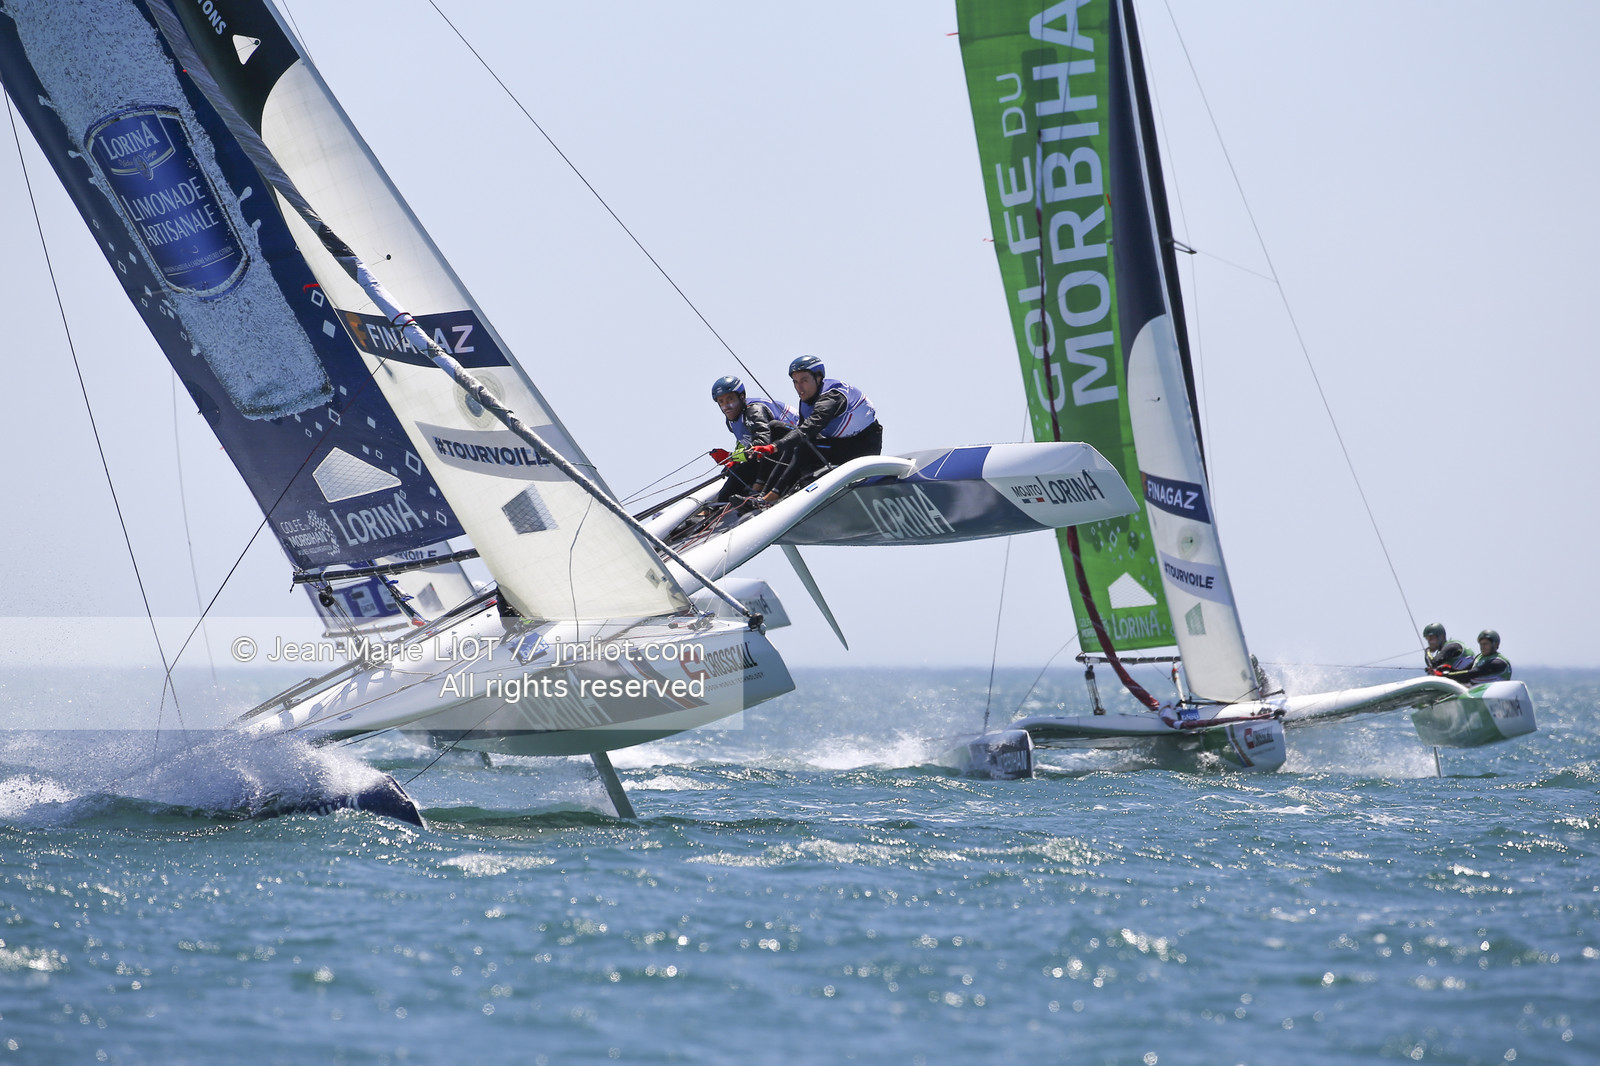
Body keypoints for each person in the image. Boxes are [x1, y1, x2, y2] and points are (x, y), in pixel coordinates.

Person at [763, 355, 883, 501]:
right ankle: (766, 495)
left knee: (803, 447)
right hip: (841, 443)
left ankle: (772, 497)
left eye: (804, 380)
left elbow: (810, 428)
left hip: (863, 447)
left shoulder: (831, 397)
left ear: (818, 377)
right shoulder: (806, 400)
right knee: (790, 440)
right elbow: (799, 434)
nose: (799, 387)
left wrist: (774, 447)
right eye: (795, 382)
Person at [707, 375, 797, 505]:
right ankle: (715, 508)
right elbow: (743, 440)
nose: (726, 406)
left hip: (793, 448)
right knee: (736, 472)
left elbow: (760, 445)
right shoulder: (732, 419)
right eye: (721, 402)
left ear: (742, 396)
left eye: (730, 399)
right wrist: (734, 460)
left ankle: (758, 491)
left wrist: (730, 456)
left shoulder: (754, 410)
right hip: (772, 454)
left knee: (768, 439)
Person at [1439, 629, 1513, 684]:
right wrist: (1449, 669)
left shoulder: (1498, 662)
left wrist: (1446, 676)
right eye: (1481, 644)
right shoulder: (1479, 658)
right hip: (1477, 692)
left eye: (1485, 644)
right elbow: (1464, 672)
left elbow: (1473, 673)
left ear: (1495, 645)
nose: (1482, 647)